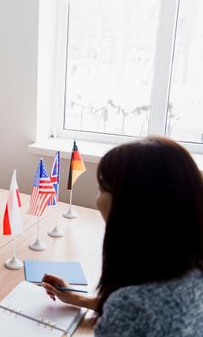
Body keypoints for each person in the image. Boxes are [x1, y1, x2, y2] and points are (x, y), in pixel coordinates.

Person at [41, 137, 203, 336]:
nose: (96, 199)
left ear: (130, 207)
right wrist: (78, 299)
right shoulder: (193, 268)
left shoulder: (131, 308)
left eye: (101, 189)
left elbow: (136, 310)